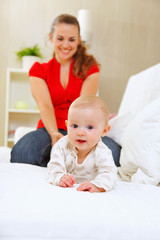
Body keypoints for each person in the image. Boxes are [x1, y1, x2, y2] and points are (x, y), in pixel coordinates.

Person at [11, 13, 121, 167]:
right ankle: (66, 161)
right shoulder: (38, 71)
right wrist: (54, 134)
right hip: (50, 128)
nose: (66, 45)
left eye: (72, 39)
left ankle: (67, 161)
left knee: (114, 153)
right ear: (51, 37)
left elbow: (85, 107)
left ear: (79, 39)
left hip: (81, 128)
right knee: (22, 153)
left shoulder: (90, 68)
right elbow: (45, 106)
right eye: (60, 38)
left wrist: (77, 135)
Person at [48, 95, 117, 193]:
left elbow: (109, 172)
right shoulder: (62, 145)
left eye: (89, 127)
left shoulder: (102, 151)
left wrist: (97, 185)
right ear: (67, 125)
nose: (80, 133)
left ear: (104, 131)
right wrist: (60, 177)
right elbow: (54, 166)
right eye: (74, 126)